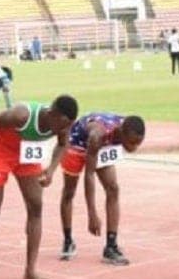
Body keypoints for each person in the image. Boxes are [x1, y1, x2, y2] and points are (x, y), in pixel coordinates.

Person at [0, 96, 79, 279]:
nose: (64, 130)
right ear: (52, 114)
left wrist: (51, 170)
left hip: (27, 157)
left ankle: (30, 270)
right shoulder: (21, 115)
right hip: (1, 151)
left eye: (68, 125)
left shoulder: (64, 123)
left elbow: (63, 144)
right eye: (62, 125)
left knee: (36, 206)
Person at [56, 113, 145, 265]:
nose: (134, 148)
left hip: (102, 146)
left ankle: (111, 246)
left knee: (113, 189)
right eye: (131, 142)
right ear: (121, 133)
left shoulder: (129, 126)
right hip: (76, 144)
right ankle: (68, 240)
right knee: (69, 192)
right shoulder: (97, 135)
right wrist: (92, 215)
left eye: (138, 143)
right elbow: (89, 175)